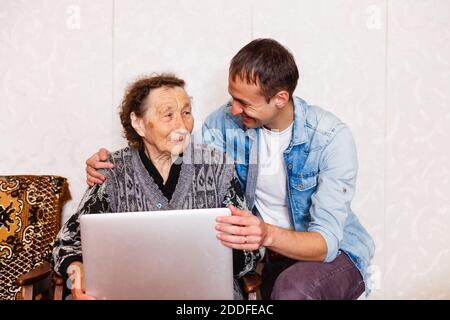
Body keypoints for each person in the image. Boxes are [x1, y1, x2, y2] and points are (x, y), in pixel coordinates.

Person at [86, 39, 375, 300]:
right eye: (232, 97)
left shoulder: (330, 138)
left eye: (244, 103)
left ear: (280, 99)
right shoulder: (226, 123)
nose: (233, 109)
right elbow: (179, 156)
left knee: (292, 290)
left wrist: (265, 234)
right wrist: (112, 164)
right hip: (273, 257)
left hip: (334, 255)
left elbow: (325, 243)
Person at [52, 74, 262, 300]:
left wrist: (228, 255)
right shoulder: (112, 170)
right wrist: (77, 273)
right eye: (168, 115)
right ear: (139, 123)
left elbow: (251, 248)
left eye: (186, 113)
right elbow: (65, 245)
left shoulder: (217, 166)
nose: (182, 126)